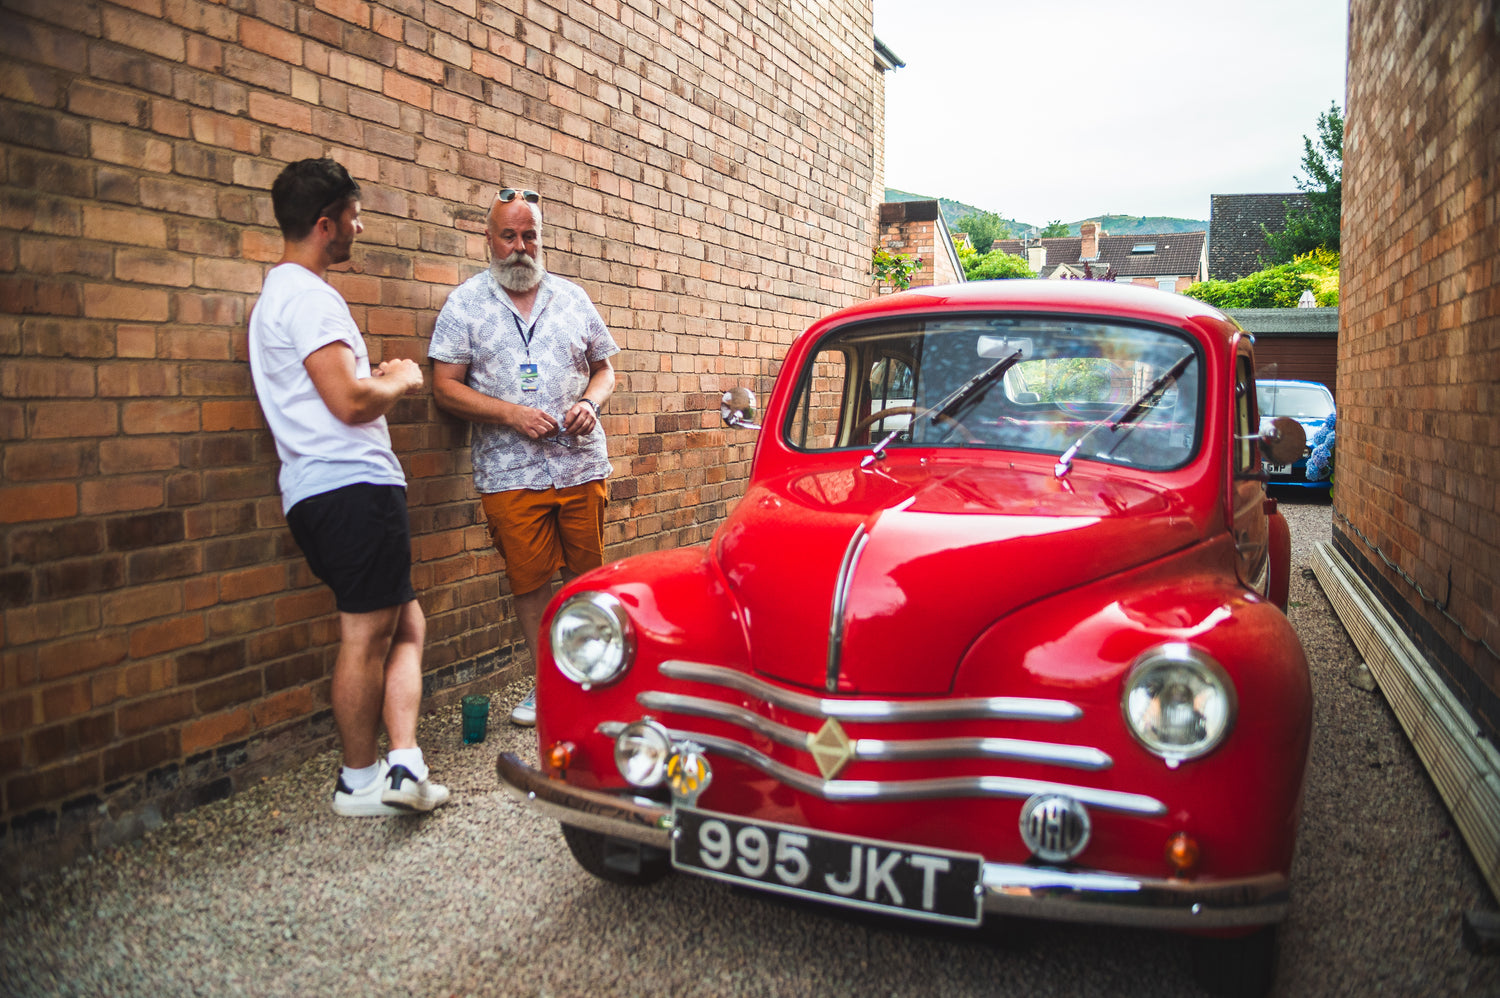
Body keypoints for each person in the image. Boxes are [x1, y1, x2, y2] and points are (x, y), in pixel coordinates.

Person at [248, 158, 449, 817]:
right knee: (368, 635)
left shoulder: (282, 296)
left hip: (330, 490)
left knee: (405, 624)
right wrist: (400, 377)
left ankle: (403, 763)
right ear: (325, 224)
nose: (360, 228)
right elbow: (351, 400)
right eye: (354, 217)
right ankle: (360, 781)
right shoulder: (306, 295)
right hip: (349, 489)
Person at [428, 187, 619, 726]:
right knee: (530, 584)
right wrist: (511, 414)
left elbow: (606, 369)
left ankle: (594, 677)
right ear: (488, 239)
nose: (520, 247)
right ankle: (549, 686)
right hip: (509, 472)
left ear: (541, 238)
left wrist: (590, 401)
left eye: (529, 235)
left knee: (584, 580)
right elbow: (445, 388)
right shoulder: (465, 303)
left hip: (580, 463)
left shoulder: (573, 297)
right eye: (508, 235)